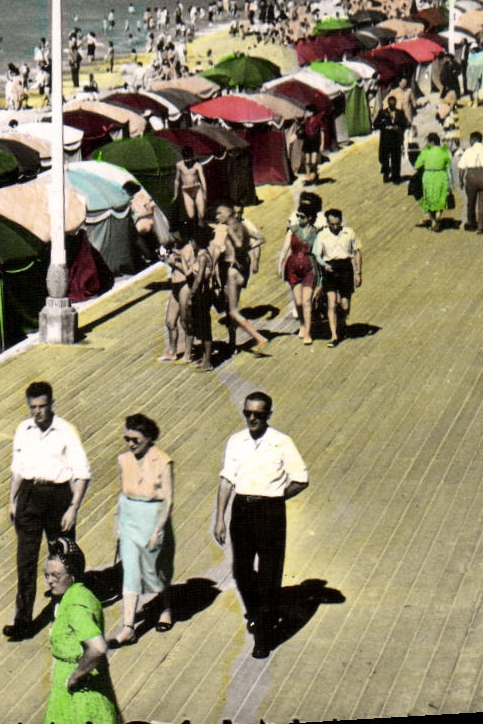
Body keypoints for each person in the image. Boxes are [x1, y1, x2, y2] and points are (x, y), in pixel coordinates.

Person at [212, 391, 309, 659]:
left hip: (270, 512)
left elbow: (300, 478)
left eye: (258, 414)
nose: (252, 418)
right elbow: (226, 480)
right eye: (248, 413)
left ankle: (264, 637)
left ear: (268, 415)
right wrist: (219, 517)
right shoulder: (236, 441)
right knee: (241, 571)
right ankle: (256, 612)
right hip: (241, 508)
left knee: (269, 574)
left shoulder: (281, 442)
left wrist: (276, 496)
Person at [6, 382, 91, 639]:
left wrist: (73, 508)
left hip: (58, 497)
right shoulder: (24, 429)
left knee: (63, 559)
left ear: (52, 405)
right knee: (26, 560)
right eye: (33, 407)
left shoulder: (66, 431)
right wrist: (12, 500)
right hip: (30, 496)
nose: (38, 412)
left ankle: (67, 614)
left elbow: (83, 474)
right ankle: (23, 620)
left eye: (43, 406)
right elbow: (17, 468)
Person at [42, 537, 121, 724]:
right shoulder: (77, 594)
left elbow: (98, 648)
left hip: (80, 697)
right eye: (47, 575)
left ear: (73, 575)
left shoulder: (76, 603)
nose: (50, 582)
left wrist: (75, 677)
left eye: (56, 576)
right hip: (71, 688)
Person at [110, 414, 173, 646]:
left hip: (152, 518)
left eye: (135, 439)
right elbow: (121, 493)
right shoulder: (123, 460)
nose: (130, 444)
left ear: (148, 438)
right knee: (130, 571)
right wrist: (118, 522)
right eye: (127, 439)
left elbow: (168, 500)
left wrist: (158, 529)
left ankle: (165, 608)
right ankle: (128, 627)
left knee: (157, 571)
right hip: (129, 518)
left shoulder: (162, 461)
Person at [208, 204, 269, 357]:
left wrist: (236, 252)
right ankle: (233, 343)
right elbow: (260, 239)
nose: (217, 217)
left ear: (228, 213)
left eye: (219, 214)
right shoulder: (242, 225)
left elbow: (239, 244)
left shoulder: (230, 228)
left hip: (233, 272)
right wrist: (245, 253)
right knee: (229, 309)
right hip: (242, 271)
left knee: (233, 312)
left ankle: (259, 338)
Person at [310, 208, 360, 348]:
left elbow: (356, 252)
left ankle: (342, 321)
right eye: (332, 224)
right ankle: (334, 335)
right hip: (329, 268)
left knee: (345, 305)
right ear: (327, 222)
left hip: (345, 268)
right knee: (331, 303)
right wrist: (324, 265)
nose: (335, 227)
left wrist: (357, 272)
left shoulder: (348, 233)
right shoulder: (322, 235)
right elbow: (317, 255)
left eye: (338, 223)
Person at [275, 209, 318, 345]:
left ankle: (308, 332)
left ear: (310, 217)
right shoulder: (292, 230)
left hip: (309, 267)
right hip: (293, 268)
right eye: (298, 216)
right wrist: (279, 264)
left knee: (306, 301)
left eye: (302, 216)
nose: (299, 218)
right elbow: (285, 248)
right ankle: (302, 324)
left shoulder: (316, 232)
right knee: (298, 302)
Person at [411, 132, 453, 230]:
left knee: (429, 199)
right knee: (440, 198)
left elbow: (417, 165)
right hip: (441, 176)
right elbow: (448, 168)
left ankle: (433, 221)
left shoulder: (426, 152)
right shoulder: (444, 152)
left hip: (428, 176)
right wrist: (450, 183)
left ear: (432, 142)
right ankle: (438, 215)